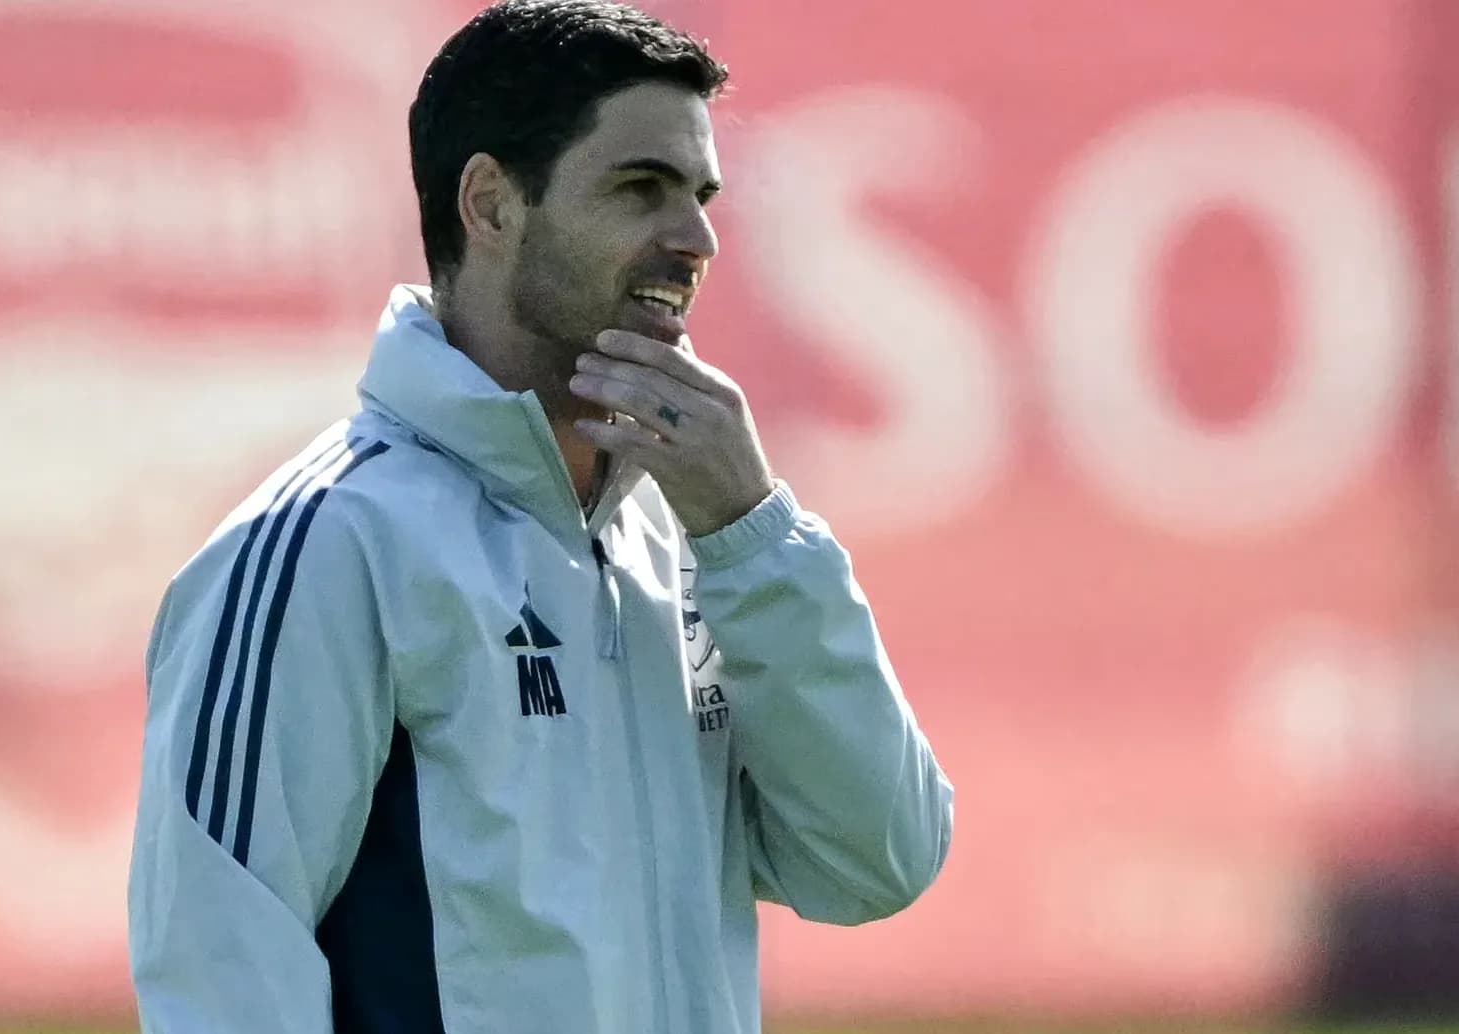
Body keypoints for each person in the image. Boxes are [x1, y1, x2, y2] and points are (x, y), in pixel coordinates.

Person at [127, 2, 954, 1031]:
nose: (695, 238)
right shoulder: (327, 542)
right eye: (640, 187)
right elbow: (217, 972)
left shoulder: (703, 541)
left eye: (700, 195)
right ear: (490, 203)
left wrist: (754, 534)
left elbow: (878, 860)